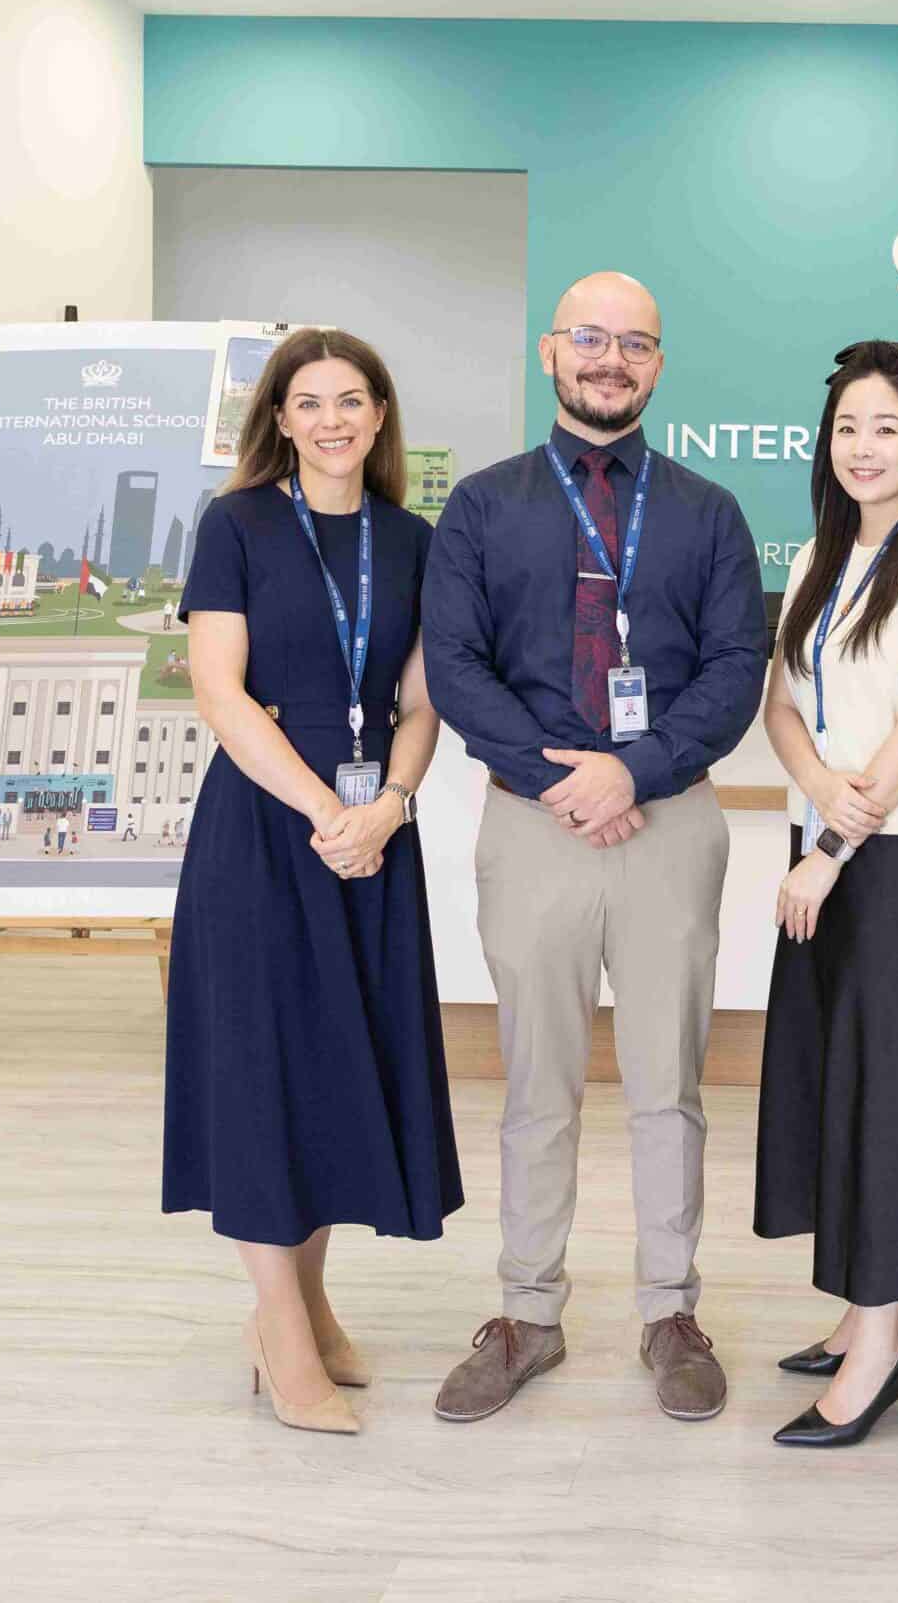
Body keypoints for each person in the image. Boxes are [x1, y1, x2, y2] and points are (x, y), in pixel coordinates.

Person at [422, 271, 765, 1425]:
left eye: (633, 344)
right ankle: (527, 1314)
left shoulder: (709, 511)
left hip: (670, 819)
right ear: (548, 352)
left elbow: (733, 671)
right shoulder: (481, 505)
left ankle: (670, 1312)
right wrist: (565, 780)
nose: (608, 360)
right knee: (537, 1082)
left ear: (657, 366)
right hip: (534, 824)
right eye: (589, 339)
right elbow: (457, 667)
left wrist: (637, 768)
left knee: (669, 1083)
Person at [163, 327, 461, 1437]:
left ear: (381, 416)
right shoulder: (235, 525)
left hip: (374, 838)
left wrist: (390, 805)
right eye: (308, 402)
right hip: (266, 834)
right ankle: (278, 1331)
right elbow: (221, 692)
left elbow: (424, 701)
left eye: (352, 400)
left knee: (341, 1068)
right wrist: (326, 808)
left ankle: (311, 1298)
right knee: (261, 1075)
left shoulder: (413, 538)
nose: (332, 420)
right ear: (279, 420)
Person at [754, 340, 898, 1448]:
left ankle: (884, 1350)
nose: (862, 446)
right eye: (848, 426)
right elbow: (783, 710)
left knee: (882, 1084)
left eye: (886, 427)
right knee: (839, 1078)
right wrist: (812, 799)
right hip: (828, 842)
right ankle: (864, 1308)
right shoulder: (816, 556)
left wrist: (832, 846)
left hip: (892, 857)